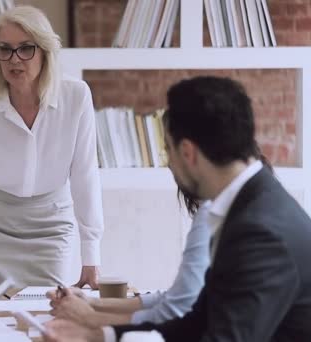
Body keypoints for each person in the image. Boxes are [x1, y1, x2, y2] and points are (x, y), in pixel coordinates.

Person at [44, 76, 311, 341]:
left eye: (167, 150)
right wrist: (99, 336)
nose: (168, 163)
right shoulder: (250, 204)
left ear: (188, 152)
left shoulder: (259, 231)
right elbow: (198, 321)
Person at [0, 5, 104, 288]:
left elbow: (85, 177)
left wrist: (91, 256)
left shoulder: (76, 96)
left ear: (45, 51)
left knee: (49, 312)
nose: (15, 60)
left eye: (26, 48)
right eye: (5, 49)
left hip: (51, 225)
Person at [48, 150, 275, 326]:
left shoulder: (214, 210)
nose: (169, 164)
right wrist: (93, 303)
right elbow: (177, 297)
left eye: (169, 149)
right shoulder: (257, 210)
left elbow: (176, 310)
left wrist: (92, 318)